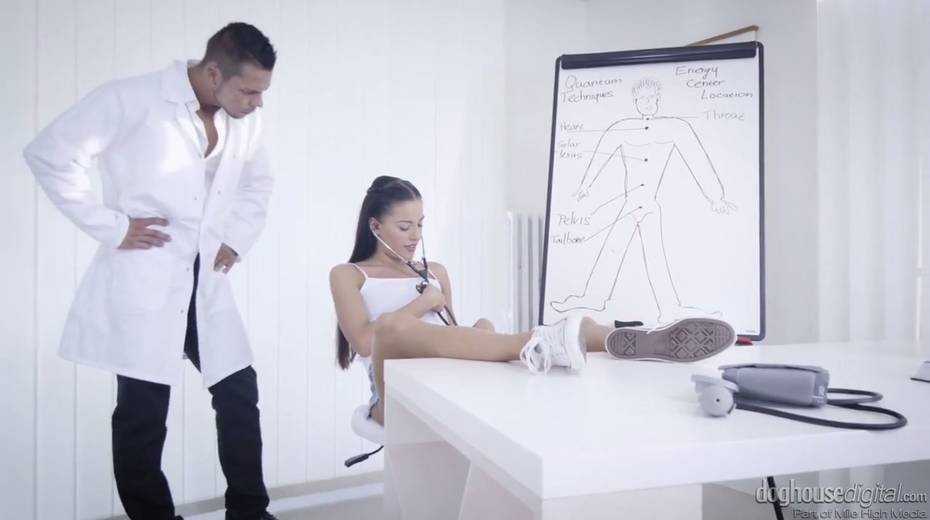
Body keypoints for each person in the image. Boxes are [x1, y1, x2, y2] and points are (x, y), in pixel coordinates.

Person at [24, 22, 279, 520]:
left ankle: (249, 512)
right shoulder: (130, 99)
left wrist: (236, 238)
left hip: (204, 281)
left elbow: (258, 181)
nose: (258, 103)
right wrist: (113, 227)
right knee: (142, 414)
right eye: (249, 91)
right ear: (213, 73)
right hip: (146, 279)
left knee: (238, 391)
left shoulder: (243, 119)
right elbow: (49, 155)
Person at [330, 176, 736, 426]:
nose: (416, 235)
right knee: (391, 326)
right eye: (404, 226)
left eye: (420, 224)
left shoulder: (434, 270)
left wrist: (463, 320)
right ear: (375, 226)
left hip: (450, 379)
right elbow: (365, 343)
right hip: (394, 397)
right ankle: (541, 342)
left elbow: (451, 336)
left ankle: (621, 335)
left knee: (488, 326)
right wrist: (423, 303)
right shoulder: (349, 275)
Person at [552, 78, 736, 321]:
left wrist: (715, 197)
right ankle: (593, 299)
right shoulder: (622, 128)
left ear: (658, 99)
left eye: (651, 98)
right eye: (642, 99)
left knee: (655, 257)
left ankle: (668, 308)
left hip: (649, 204)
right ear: (635, 101)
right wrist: (585, 186)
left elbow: (696, 158)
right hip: (630, 204)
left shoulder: (675, 127)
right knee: (611, 250)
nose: (647, 103)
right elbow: (601, 154)